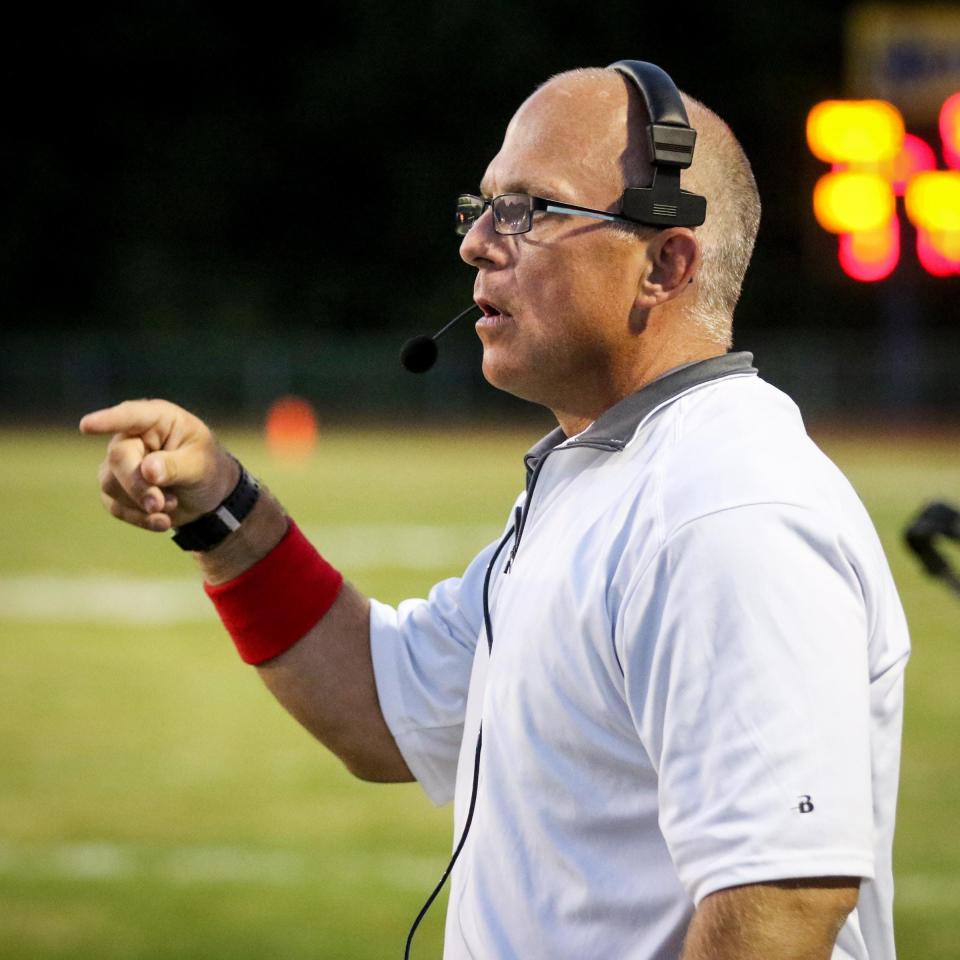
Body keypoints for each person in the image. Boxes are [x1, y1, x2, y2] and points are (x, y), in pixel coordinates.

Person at [80, 63, 910, 960]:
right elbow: (377, 703)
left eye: (530, 209)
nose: (477, 241)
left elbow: (779, 910)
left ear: (665, 263)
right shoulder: (603, 475)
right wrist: (220, 511)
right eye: (480, 207)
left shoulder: (724, 506)